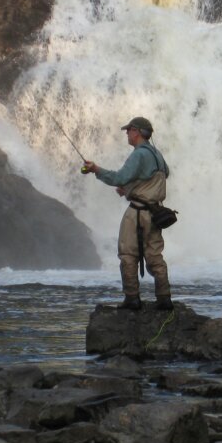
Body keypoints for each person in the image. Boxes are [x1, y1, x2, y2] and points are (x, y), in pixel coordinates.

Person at [82, 116, 173, 311]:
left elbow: (119, 177)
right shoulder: (157, 154)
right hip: (155, 213)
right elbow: (161, 176)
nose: (126, 133)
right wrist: (131, 189)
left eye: (129, 130)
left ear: (137, 132)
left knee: (128, 254)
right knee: (155, 256)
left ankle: (132, 298)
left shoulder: (139, 154)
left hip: (137, 214)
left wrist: (96, 169)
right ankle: (164, 299)